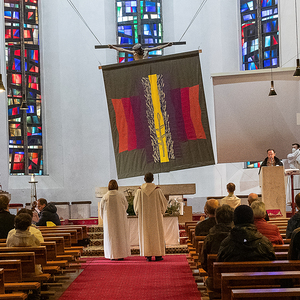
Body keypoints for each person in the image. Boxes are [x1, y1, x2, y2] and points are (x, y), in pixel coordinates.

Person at [133, 172, 168, 262]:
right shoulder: (157, 191)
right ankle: (158, 255)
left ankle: (147, 255)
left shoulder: (139, 191)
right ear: (153, 179)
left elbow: (136, 204)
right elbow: (164, 203)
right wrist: (162, 211)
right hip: (155, 218)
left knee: (146, 234)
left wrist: (137, 212)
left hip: (144, 218)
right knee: (156, 234)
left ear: (144, 179)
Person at [100, 179, 131, 260]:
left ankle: (112, 255)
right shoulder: (120, 195)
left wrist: (104, 219)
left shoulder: (105, 197)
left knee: (111, 237)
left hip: (109, 221)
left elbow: (101, 210)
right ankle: (121, 255)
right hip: (120, 220)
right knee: (120, 236)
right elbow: (126, 206)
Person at [200, 204, 234, 272]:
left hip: (215, 275)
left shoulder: (210, 237)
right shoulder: (238, 236)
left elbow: (203, 262)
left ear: (216, 219)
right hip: (238, 276)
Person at [108, 42, 173, 61]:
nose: (136, 52)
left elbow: (157, 48)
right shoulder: (134, 53)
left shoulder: (146, 51)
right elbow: (122, 50)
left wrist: (167, 45)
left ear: (140, 49)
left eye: (137, 50)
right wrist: (113, 47)